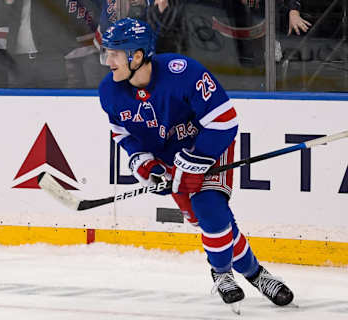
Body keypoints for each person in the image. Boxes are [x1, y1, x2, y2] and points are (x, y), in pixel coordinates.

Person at [98, 17, 294, 313]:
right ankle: (257, 274)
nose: (108, 61)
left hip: (209, 145)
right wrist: (146, 165)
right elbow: (122, 133)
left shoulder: (182, 72)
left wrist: (194, 161)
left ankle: (221, 272)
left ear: (136, 56)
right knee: (215, 225)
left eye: (114, 53)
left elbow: (225, 121)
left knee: (209, 207)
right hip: (170, 158)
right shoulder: (109, 91)